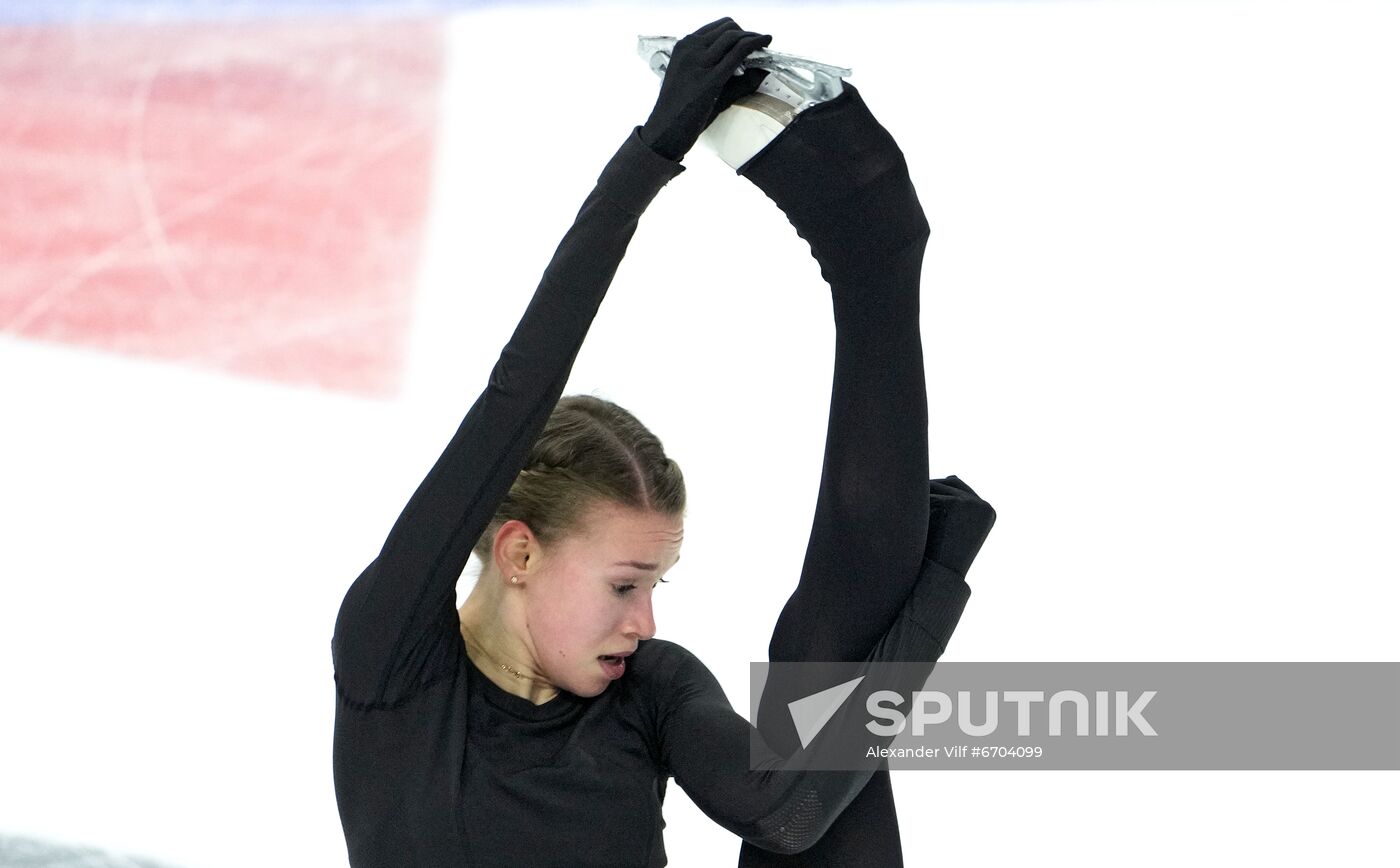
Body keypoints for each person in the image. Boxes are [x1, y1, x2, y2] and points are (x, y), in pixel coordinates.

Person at [330, 17, 995, 868]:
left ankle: (876, 259)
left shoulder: (648, 686)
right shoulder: (397, 662)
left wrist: (914, 602)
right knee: (833, 700)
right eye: (623, 585)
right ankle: (878, 247)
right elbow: (516, 393)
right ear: (519, 553)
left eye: (652, 585)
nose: (644, 622)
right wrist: (653, 149)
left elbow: (784, 810)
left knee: (819, 681)